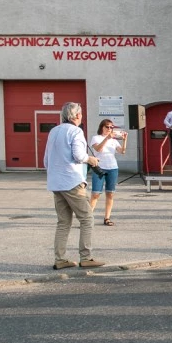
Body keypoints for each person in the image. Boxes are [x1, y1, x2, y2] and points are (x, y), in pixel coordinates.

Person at [43, 102, 105, 269]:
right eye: (81, 114)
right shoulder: (76, 131)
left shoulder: (53, 131)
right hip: (72, 181)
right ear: (77, 116)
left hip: (56, 183)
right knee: (87, 218)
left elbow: (46, 160)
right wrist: (91, 160)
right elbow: (78, 155)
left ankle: (60, 259)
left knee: (63, 222)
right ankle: (86, 257)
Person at [89, 119, 127, 226]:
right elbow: (98, 149)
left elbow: (122, 151)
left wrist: (124, 140)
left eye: (111, 127)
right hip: (99, 167)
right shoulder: (96, 138)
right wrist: (107, 138)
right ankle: (87, 219)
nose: (109, 129)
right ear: (102, 127)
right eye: (107, 127)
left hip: (112, 167)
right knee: (95, 194)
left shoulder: (114, 140)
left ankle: (107, 218)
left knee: (110, 193)